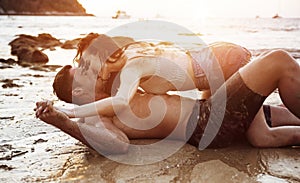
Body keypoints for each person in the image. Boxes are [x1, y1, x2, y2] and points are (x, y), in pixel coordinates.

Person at [35, 49, 300, 153]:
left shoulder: (114, 92)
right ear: (79, 92)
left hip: (208, 108)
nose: (91, 71)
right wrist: (61, 120)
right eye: (83, 73)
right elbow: (117, 144)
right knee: (278, 61)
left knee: (269, 112)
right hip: (208, 124)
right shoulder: (95, 115)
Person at [54, 34, 251, 118]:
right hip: (209, 66)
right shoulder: (128, 63)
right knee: (216, 120)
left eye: (89, 63)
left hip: (223, 62)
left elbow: (121, 102)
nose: (88, 70)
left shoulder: (133, 67)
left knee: (258, 136)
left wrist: (71, 113)